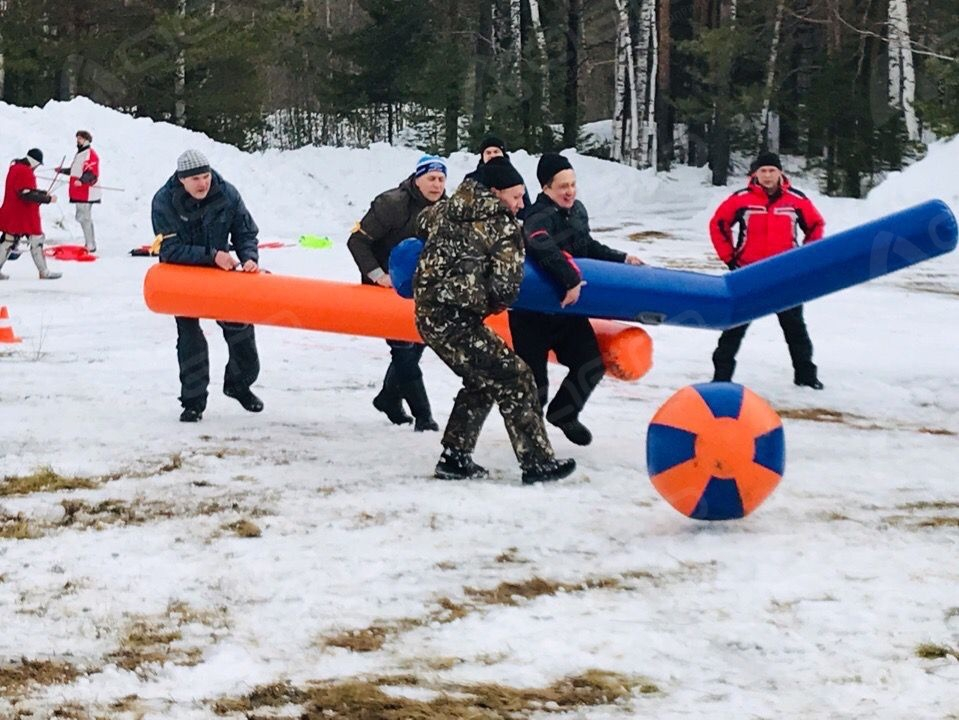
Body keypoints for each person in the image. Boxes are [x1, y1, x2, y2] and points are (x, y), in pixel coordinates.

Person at [414, 156, 576, 485]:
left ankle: (455, 458)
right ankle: (537, 462)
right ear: (495, 193)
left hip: (427, 315)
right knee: (516, 377)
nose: (520, 204)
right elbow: (505, 288)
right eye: (516, 197)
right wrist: (488, 303)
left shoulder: (446, 208)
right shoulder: (503, 226)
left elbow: (421, 222)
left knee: (483, 378)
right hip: (459, 320)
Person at [508, 153, 643, 447]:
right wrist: (569, 278)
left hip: (568, 312)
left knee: (589, 364)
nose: (569, 191)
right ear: (546, 188)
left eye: (572, 184)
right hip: (532, 315)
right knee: (534, 387)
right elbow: (540, 244)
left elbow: (586, 246)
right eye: (562, 186)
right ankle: (531, 447)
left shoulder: (577, 211)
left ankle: (564, 414)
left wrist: (621, 259)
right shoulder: (536, 215)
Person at [151, 149, 263, 422]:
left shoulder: (227, 194)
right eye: (195, 179)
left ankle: (238, 384)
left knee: (241, 330)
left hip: (221, 275)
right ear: (182, 180)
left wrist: (249, 258)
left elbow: (245, 231)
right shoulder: (164, 201)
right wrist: (211, 256)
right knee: (190, 339)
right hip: (182, 276)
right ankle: (193, 403)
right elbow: (169, 249)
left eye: (206, 176)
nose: (203, 183)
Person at [708, 151, 826, 389]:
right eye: (763, 171)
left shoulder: (796, 200)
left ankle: (806, 377)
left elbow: (816, 225)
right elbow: (718, 225)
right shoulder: (741, 199)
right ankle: (721, 377)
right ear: (755, 174)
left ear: (780, 172)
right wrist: (730, 258)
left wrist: (804, 259)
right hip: (748, 274)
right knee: (733, 329)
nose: (768, 175)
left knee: (795, 329)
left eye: (772, 170)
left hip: (785, 276)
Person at [347, 154, 447, 432]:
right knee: (403, 351)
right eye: (431, 178)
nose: (437, 185)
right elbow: (356, 241)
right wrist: (378, 275)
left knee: (415, 347)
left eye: (441, 179)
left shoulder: (446, 209)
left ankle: (388, 399)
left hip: (420, 291)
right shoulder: (391, 204)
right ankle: (424, 417)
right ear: (418, 179)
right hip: (384, 289)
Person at [0, 148, 62, 280]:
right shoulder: (25, 172)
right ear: (35, 162)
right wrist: (48, 199)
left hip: (12, 212)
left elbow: (24, 190)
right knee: (37, 240)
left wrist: (41, 193)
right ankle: (44, 272)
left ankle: (44, 271)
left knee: (8, 241)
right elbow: (26, 195)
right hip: (24, 215)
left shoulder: (15, 168)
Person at [463, 134, 531, 219]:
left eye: (496, 152)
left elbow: (526, 209)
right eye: (488, 153)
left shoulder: (514, 178)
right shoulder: (472, 178)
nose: (492, 155)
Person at [56, 130, 101, 253]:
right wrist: (62, 171)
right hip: (79, 192)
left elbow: (92, 172)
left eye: (80, 138)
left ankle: (91, 244)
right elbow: (75, 170)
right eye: (77, 138)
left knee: (84, 218)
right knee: (81, 217)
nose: (78, 141)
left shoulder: (90, 154)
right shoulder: (81, 153)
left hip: (87, 193)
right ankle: (89, 242)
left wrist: (82, 181)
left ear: (86, 140)